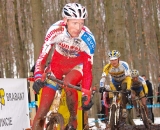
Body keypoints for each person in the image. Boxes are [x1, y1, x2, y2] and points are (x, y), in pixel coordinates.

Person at [32, 3, 96, 130]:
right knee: (41, 113)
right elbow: (42, 57)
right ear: (65, 20)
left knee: (68, 82)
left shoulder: (88, 38)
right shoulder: (55, 30)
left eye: (81, 23)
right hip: (57, 66)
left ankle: (73, 120)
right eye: (74, 23)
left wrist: (86, 94)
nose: (78, 28)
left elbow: (88, 69)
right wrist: (38, 76)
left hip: (76, 67)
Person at [99, 50, 131, 119]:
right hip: (114, 82)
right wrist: (101, 86)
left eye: (115, 59)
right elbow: (103, 78)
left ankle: (124, 109)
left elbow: (128, 78)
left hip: (124, 80)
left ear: (118, 59)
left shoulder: (124, 65)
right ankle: (112, 109)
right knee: (111, 93)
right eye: (111, 60)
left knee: (123, 90)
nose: (113, 62)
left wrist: (128, 88)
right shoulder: (107, 67)